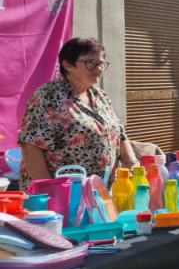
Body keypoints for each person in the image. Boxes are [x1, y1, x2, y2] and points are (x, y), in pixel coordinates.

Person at [18, 37, 138, 190]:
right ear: (67, 64)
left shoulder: (100, 96)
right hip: (63, 193)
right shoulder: (47, 96)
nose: (98, 68)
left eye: (101, 63)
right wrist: (49, 190)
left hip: (99, 192)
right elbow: (31, 146)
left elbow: (119, 134)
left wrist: (133, 164)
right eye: (90, 63)